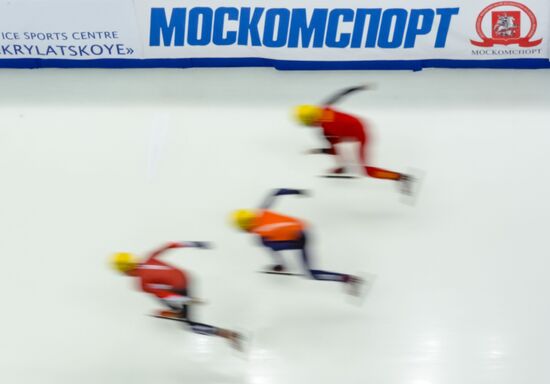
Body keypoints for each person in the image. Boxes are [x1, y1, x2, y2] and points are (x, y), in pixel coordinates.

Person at [111, 241, 242, 350]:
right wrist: (197, 244)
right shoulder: (149, 257)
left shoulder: (142, 283)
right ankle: (177, 310)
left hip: (180, 289)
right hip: (186, 277)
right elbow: (171, 245)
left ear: (126, 271)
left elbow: (163, 294)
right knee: (156, 288)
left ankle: (228, 334)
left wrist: (188, 300)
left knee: (188, 325)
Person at [232, 188, 363, 296]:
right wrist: (297, 191)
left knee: (311, 274)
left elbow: (277, 237)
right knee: (265, 242)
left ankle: (348, 279)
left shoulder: (262, 230)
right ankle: (281, 265)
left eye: (243, 229)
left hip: (299, 237)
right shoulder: (260, 212)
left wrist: (283, 240)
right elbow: (276, 192)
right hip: (301, 227)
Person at [294, 85, 413, 194]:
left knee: (367, 171)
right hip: (358, 123)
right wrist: (359, 88)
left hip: (360, 135)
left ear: (310, 121)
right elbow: (341, 93)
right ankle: (343, 167)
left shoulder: (326, 130)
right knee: (336, 145)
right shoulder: (322, 109)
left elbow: (334, 151)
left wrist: (316, 151)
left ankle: (402, 177)